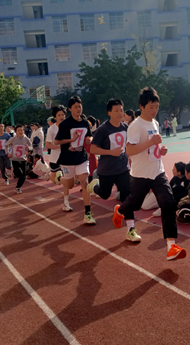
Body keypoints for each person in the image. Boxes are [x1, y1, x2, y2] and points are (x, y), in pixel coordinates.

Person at [112, 87, 187, 260]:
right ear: (142, 106)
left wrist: (161, 149)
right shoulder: (135, 126)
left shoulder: (155, 123)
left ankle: (171, 246)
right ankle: (120, 210)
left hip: (157, 172)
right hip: (140, 174)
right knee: (135, 204)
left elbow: (153, 147)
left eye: (157, 107)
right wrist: (151, 142)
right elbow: (129, 151)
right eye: (151, 107)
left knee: (168, 204)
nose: (154, 110)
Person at [88, 99, 140, 241]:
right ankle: (95, 186)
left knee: (127, 196)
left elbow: (131, 144)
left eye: (121, 110)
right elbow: (93, 149)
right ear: (109, 112)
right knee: (105, 194)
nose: (119, 113)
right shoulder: (103, 129)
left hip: (123, 168)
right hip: (107, 170)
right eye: (116, 110)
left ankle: (130, 229)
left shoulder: (125, 128)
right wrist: (110, 152)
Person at [54, 96, 96, 224]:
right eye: (75, 107)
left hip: (81, 158)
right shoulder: (65, 124)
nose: (78, 109)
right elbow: (57, 141)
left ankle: (88, 213)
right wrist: (71, 140)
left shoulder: (85, 122)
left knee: (84, 183)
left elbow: (90, 136)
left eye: (80, 106)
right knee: (70, 185)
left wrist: (89, 139)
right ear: (70, 109)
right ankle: (60, 177)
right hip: (67, 159)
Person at [44, 106, 66, 199]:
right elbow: (47, 145)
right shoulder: (52, 129)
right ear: (55, 117)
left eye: (62, 115)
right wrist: (59, 147)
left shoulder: (68, 126)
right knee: (55, 181)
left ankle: (66, 199)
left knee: (66, 179)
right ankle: (50, 174)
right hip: (55, 158)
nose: (61, 117)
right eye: (59, 115)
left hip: (66, 157)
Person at [6, 125, 32, 194]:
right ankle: (15, 172)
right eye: (19, 130)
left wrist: (28, 148)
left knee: (23, 175)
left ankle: (18, 187)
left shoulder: (26, 139)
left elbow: (31, 146)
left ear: (23, 131)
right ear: (16, 132)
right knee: (19, 173)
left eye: (21, 130)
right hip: (15, 159)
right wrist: (8, 152)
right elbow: (6, 145)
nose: (20, 132)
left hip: (23, 159)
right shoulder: (12, 139)